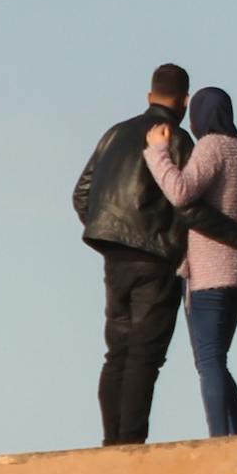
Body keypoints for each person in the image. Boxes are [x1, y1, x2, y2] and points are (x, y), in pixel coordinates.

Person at [72, 63, 192, 446]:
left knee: (117, 352)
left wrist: (108, 230)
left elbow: (81, 193)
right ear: (185, 101)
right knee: (144, 354)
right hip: (155, 256)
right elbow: (188, 201)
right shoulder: (178, 140)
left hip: (113, 255)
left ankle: (112, 443)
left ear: (149, 96)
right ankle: (130, 443)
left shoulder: (115, 133)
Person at [142, 85, 237, 438]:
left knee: (209, 360)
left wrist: (158, 152)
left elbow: (181, 192)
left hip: (211, 270)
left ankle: (220, 440)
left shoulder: (212, 147)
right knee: (217, 359)